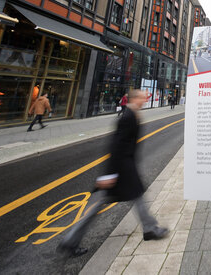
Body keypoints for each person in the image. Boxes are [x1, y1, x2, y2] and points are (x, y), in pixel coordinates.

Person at [58, 89, 168, 256]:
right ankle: (70, 241)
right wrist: (109, 175)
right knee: (115, 201)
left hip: (125, 167)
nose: (144, 100)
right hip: (120, 169)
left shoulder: (133, 114)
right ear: (133, 99)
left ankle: (149, 228)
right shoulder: (127, 117)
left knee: (133, 197)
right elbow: (115, 148)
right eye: (141, 97)